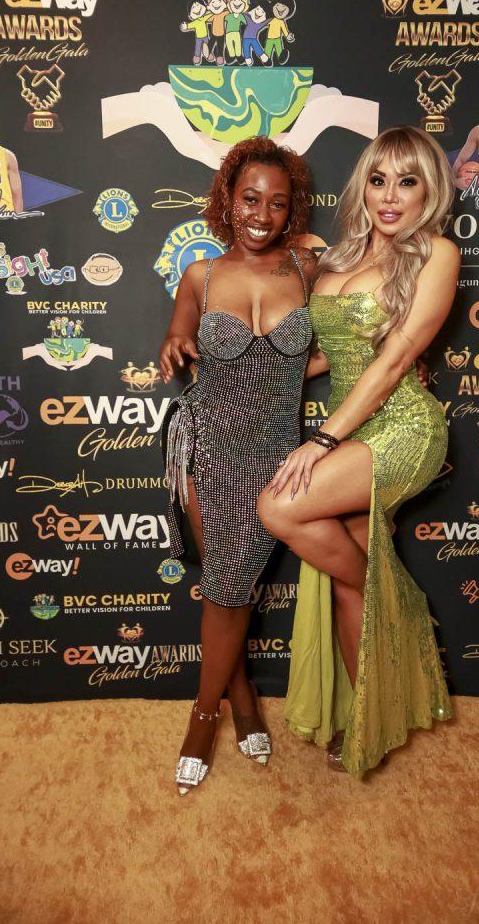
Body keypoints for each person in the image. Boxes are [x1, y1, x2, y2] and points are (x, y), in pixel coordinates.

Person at [257, 125, 459, 778]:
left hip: (401, 427)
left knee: (279, 506)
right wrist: (249, 372)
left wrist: (322, 439)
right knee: (349, 582)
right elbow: (329, 356)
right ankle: (364, 720)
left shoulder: (436, 254)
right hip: (354, 424)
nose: (390, 196)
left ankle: (399, 605)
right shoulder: (338, 259)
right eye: (378, 180)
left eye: (407, 181)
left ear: (429, 191)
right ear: (362, 187)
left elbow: (395, 361)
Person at [159, 136, 317, 794]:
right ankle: (209, 716)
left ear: (291, 209)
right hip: (209, 445)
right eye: (250, 198)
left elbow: (332, 346)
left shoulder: (309, 270)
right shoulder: (201, 275)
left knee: (233, 588)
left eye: (277, 203)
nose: (262, 214)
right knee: (226, 587)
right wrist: (175, 342)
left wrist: (396, 358)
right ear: (228, 198)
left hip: (278, 454)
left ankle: (239, 692)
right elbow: (179, 335)